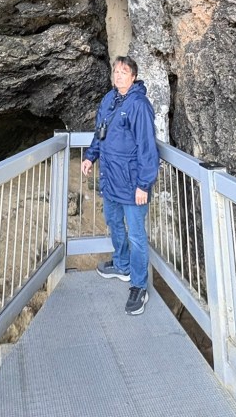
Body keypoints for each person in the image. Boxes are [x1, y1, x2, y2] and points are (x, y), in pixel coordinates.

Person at [81, 55, 159, 315]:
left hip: (132, 183)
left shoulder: (139, 105)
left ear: (133, 77)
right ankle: (122, 265)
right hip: (111, 179)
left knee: (136, 235)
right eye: (116, 71)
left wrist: (143, 185)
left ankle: (138, 285)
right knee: (114, 222)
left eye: (124, 72)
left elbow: (147, 147)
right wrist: (90, 156)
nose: (118, 75)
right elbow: (100, 132)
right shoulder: (109, 99)